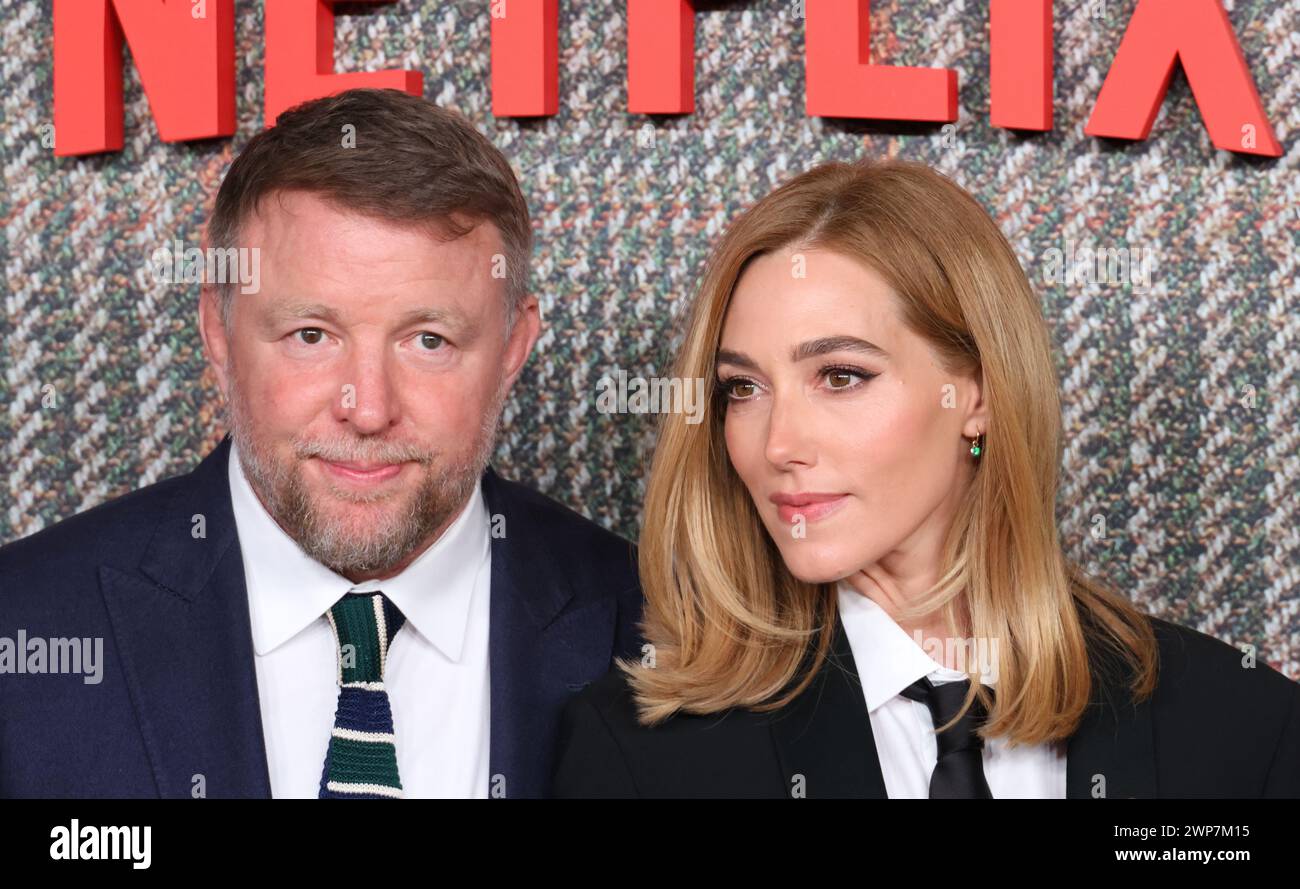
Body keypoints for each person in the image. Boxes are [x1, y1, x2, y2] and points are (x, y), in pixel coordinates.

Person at [552, 159, 1300, 799]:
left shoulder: (1243, 728)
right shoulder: (646, 760)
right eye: (743, 388)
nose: (777, 443)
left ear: (976, 392)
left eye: (840, 376)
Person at [0, 88, 642, 799]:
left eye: (428, 340)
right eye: (311, 335)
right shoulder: (23, 630)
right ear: (217, 327)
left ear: (515, 344)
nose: (367, 409)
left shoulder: (665, 635)